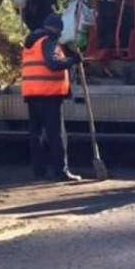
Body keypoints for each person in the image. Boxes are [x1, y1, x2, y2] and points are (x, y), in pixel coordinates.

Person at [22, 13, 82, 181]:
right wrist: (73, 60)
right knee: (56, 135)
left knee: (37, 135)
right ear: (57, 30)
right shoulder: (49, 41)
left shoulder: (31, 42)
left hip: (32, 94)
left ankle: (39, 171)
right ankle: (61, 172)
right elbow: (52, 63)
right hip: (48, 95)